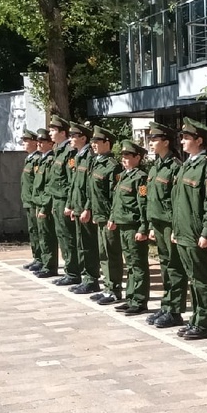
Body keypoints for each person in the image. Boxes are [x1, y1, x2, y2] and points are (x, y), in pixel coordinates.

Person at [171, 118, 207, 341]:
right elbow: (178, 201)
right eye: (182, 137)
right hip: (183, 231)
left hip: (196, 233)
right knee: (193, 278)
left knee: (203, 279)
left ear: (199, 140)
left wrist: (206, 232)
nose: (182, 141)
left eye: (187, 137)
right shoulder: (187, 165)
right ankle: (197, 317)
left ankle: (206, 322)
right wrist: (176, 229)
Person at [143, 122, 186, 329]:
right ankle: (167, 304)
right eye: (150, 139)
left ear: (166, 142)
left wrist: (176, 228)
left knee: (175, 267)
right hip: (158, 223)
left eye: (154, 139)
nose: (151, 143)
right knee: (165, 266)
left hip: (170, 224)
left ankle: (175, 310)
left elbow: (178, 202)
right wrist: (151, 225)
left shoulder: (175, 167)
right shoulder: (156, 166)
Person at [110, 138, 151, 316]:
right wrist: (112, 217)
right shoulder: (124, 176)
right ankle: (131, 297)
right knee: (131, 265)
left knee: (138, 263)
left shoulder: (140, 178)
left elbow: (143, 206)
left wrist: (143, 228)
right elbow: (117, 201)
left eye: (128, 156)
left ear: (138, 158)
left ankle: (140, 300)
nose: (124, 159)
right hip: (123, 225)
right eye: (123, 156)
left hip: (133, 226)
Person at [88, 125, 125, 304]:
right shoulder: (97, 162)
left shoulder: (112, 166)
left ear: (107, 143)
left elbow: (115, 196)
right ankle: (107, 287)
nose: (93, 144)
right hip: (99, 215)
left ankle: (115, 290)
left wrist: (113, 217)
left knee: (112, 253)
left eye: (97, 141)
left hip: (109, 217)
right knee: (103, 253)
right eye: (93, 141)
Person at [67, 122, 101, 294]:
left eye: (74, 136)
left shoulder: (89, 156)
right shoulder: (78, 155)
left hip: (86, 208)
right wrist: (72, 206)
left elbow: (89, 187)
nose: (70, 139)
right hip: (78, 206)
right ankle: (85, 276)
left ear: (83, 138)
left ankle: (92, 279)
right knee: (81, 243)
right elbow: (75, 185)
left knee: (88, 245)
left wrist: (87, 207)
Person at [47, 115, 80, 287]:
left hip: (64, 200)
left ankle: (74, 272)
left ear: (62, 132)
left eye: (53, 130)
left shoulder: (69, 152)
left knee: (68, 237)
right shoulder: (58, 150)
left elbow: (70, 181)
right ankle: (70, 270)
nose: (50, 133)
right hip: (57, 199)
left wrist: (69, 204)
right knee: (62, 235)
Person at [31, 128, 59, 278]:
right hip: (39, 202)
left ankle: (50, 266)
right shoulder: (41, 160)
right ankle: (44, 263)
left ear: (50, 143)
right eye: (38, 141)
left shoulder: (50, 160)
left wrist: (44, 207)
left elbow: (49, 186)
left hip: (45, 204)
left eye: (43, 141)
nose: (39, 144)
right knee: (42, 235)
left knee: (48, 236)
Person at [18, 129, 43, 272]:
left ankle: (41, 259)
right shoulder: (29, 159)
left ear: (35, 142)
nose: (24, 143)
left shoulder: (37, 160)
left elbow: (38, 183)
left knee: (39, 232)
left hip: (35, 201)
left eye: (27, 140)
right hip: (28, 200)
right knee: (33, 230)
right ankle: (37, 257)